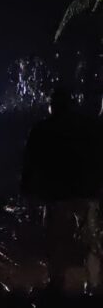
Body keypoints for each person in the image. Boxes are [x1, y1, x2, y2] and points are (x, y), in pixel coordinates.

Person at [22, 87, 103, 295]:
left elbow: (31, 162)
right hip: (86, 193)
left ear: (52, 107)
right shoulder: (89, 128)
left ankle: (57, 281)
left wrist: (27, 190)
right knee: (90, 240)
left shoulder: (42, 130)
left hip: (57, 195)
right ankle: (94, 283)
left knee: (57, 240)